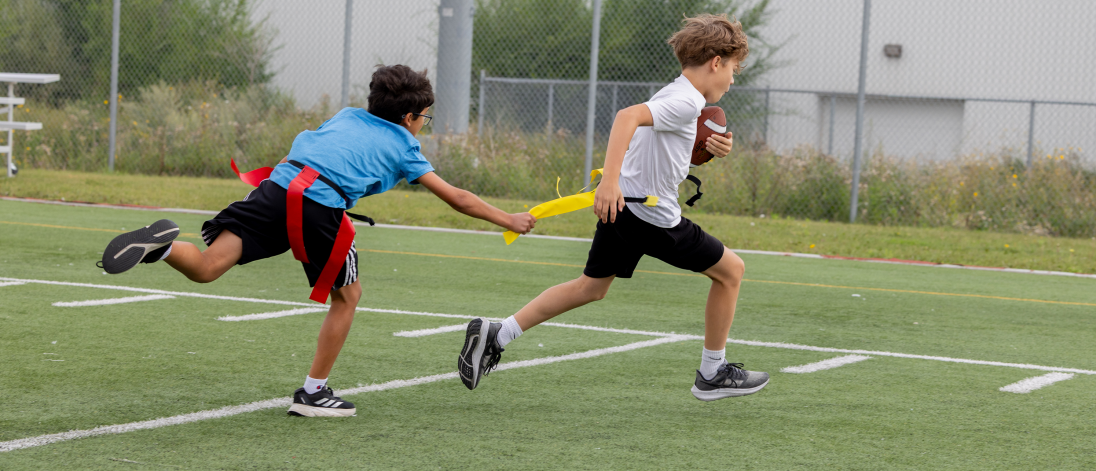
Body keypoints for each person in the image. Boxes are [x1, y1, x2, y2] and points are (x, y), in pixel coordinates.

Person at [99, 65, 536, 417]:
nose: (424, 125)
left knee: (209, 267)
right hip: (318, 203)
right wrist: (507, 219)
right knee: (348, 297)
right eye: (425, 117)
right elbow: (457, 198)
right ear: (409, 117)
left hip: (278, 186)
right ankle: (313, 392)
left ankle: (163, 247)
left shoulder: (347, 114)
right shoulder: (405, 145)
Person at [458, 14, 767, 401]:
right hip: (649, 215)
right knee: (731, 272)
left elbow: (662, 147)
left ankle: (497, 333)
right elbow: (627, 117)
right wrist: (608, 182)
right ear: (716, 62)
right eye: (734, 69)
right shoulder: (687, 101)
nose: (733, 79)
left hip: (624, 207)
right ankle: (712, 372)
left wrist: (703, 153)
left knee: (590, 287)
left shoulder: (677, 94)